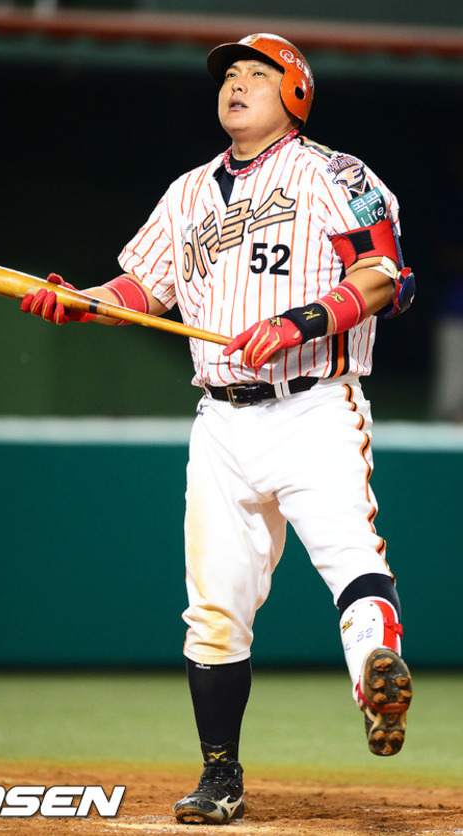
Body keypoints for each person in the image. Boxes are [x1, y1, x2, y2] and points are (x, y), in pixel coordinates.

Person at [22, 33, 415, 826]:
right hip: (223, 423)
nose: (235, 84)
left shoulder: (335, 175)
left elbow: (385, 277)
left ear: (295, 94)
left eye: (255, 74)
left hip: (314, 404)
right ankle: (219, 775)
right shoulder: (189, 192)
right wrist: (83, 303)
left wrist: (300, 321)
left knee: (350, 555)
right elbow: (143, 288)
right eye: (228, 75)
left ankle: (377, 677)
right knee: (214, 609)